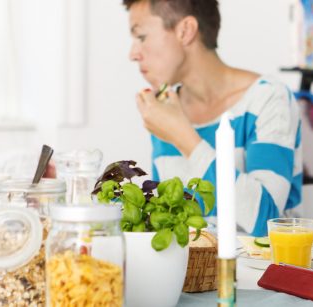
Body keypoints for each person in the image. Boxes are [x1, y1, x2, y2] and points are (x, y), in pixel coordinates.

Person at [123, 0, 302, 236]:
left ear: (185, 31)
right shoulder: (166, 109)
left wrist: (185, 139)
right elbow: (167, 221)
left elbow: (266, 220)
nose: (132, 54)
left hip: (260, 269)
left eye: (142, 37)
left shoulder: (267, 98)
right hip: (194, 270)